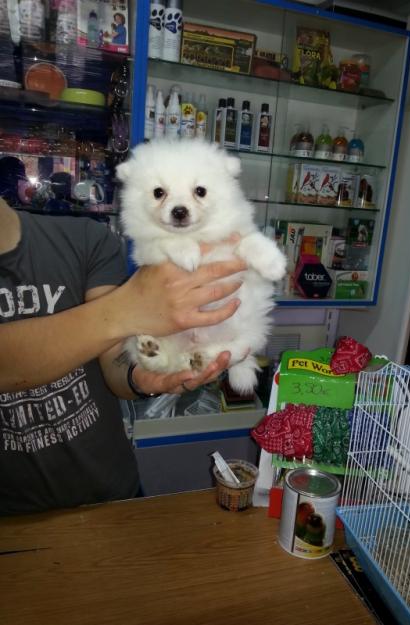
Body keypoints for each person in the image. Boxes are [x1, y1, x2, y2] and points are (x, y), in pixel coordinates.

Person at [0, 197, 246, 515]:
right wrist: (130, 305)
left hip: (113, 495)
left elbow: (115, 359)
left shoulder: (84, 239)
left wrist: (139, 376)